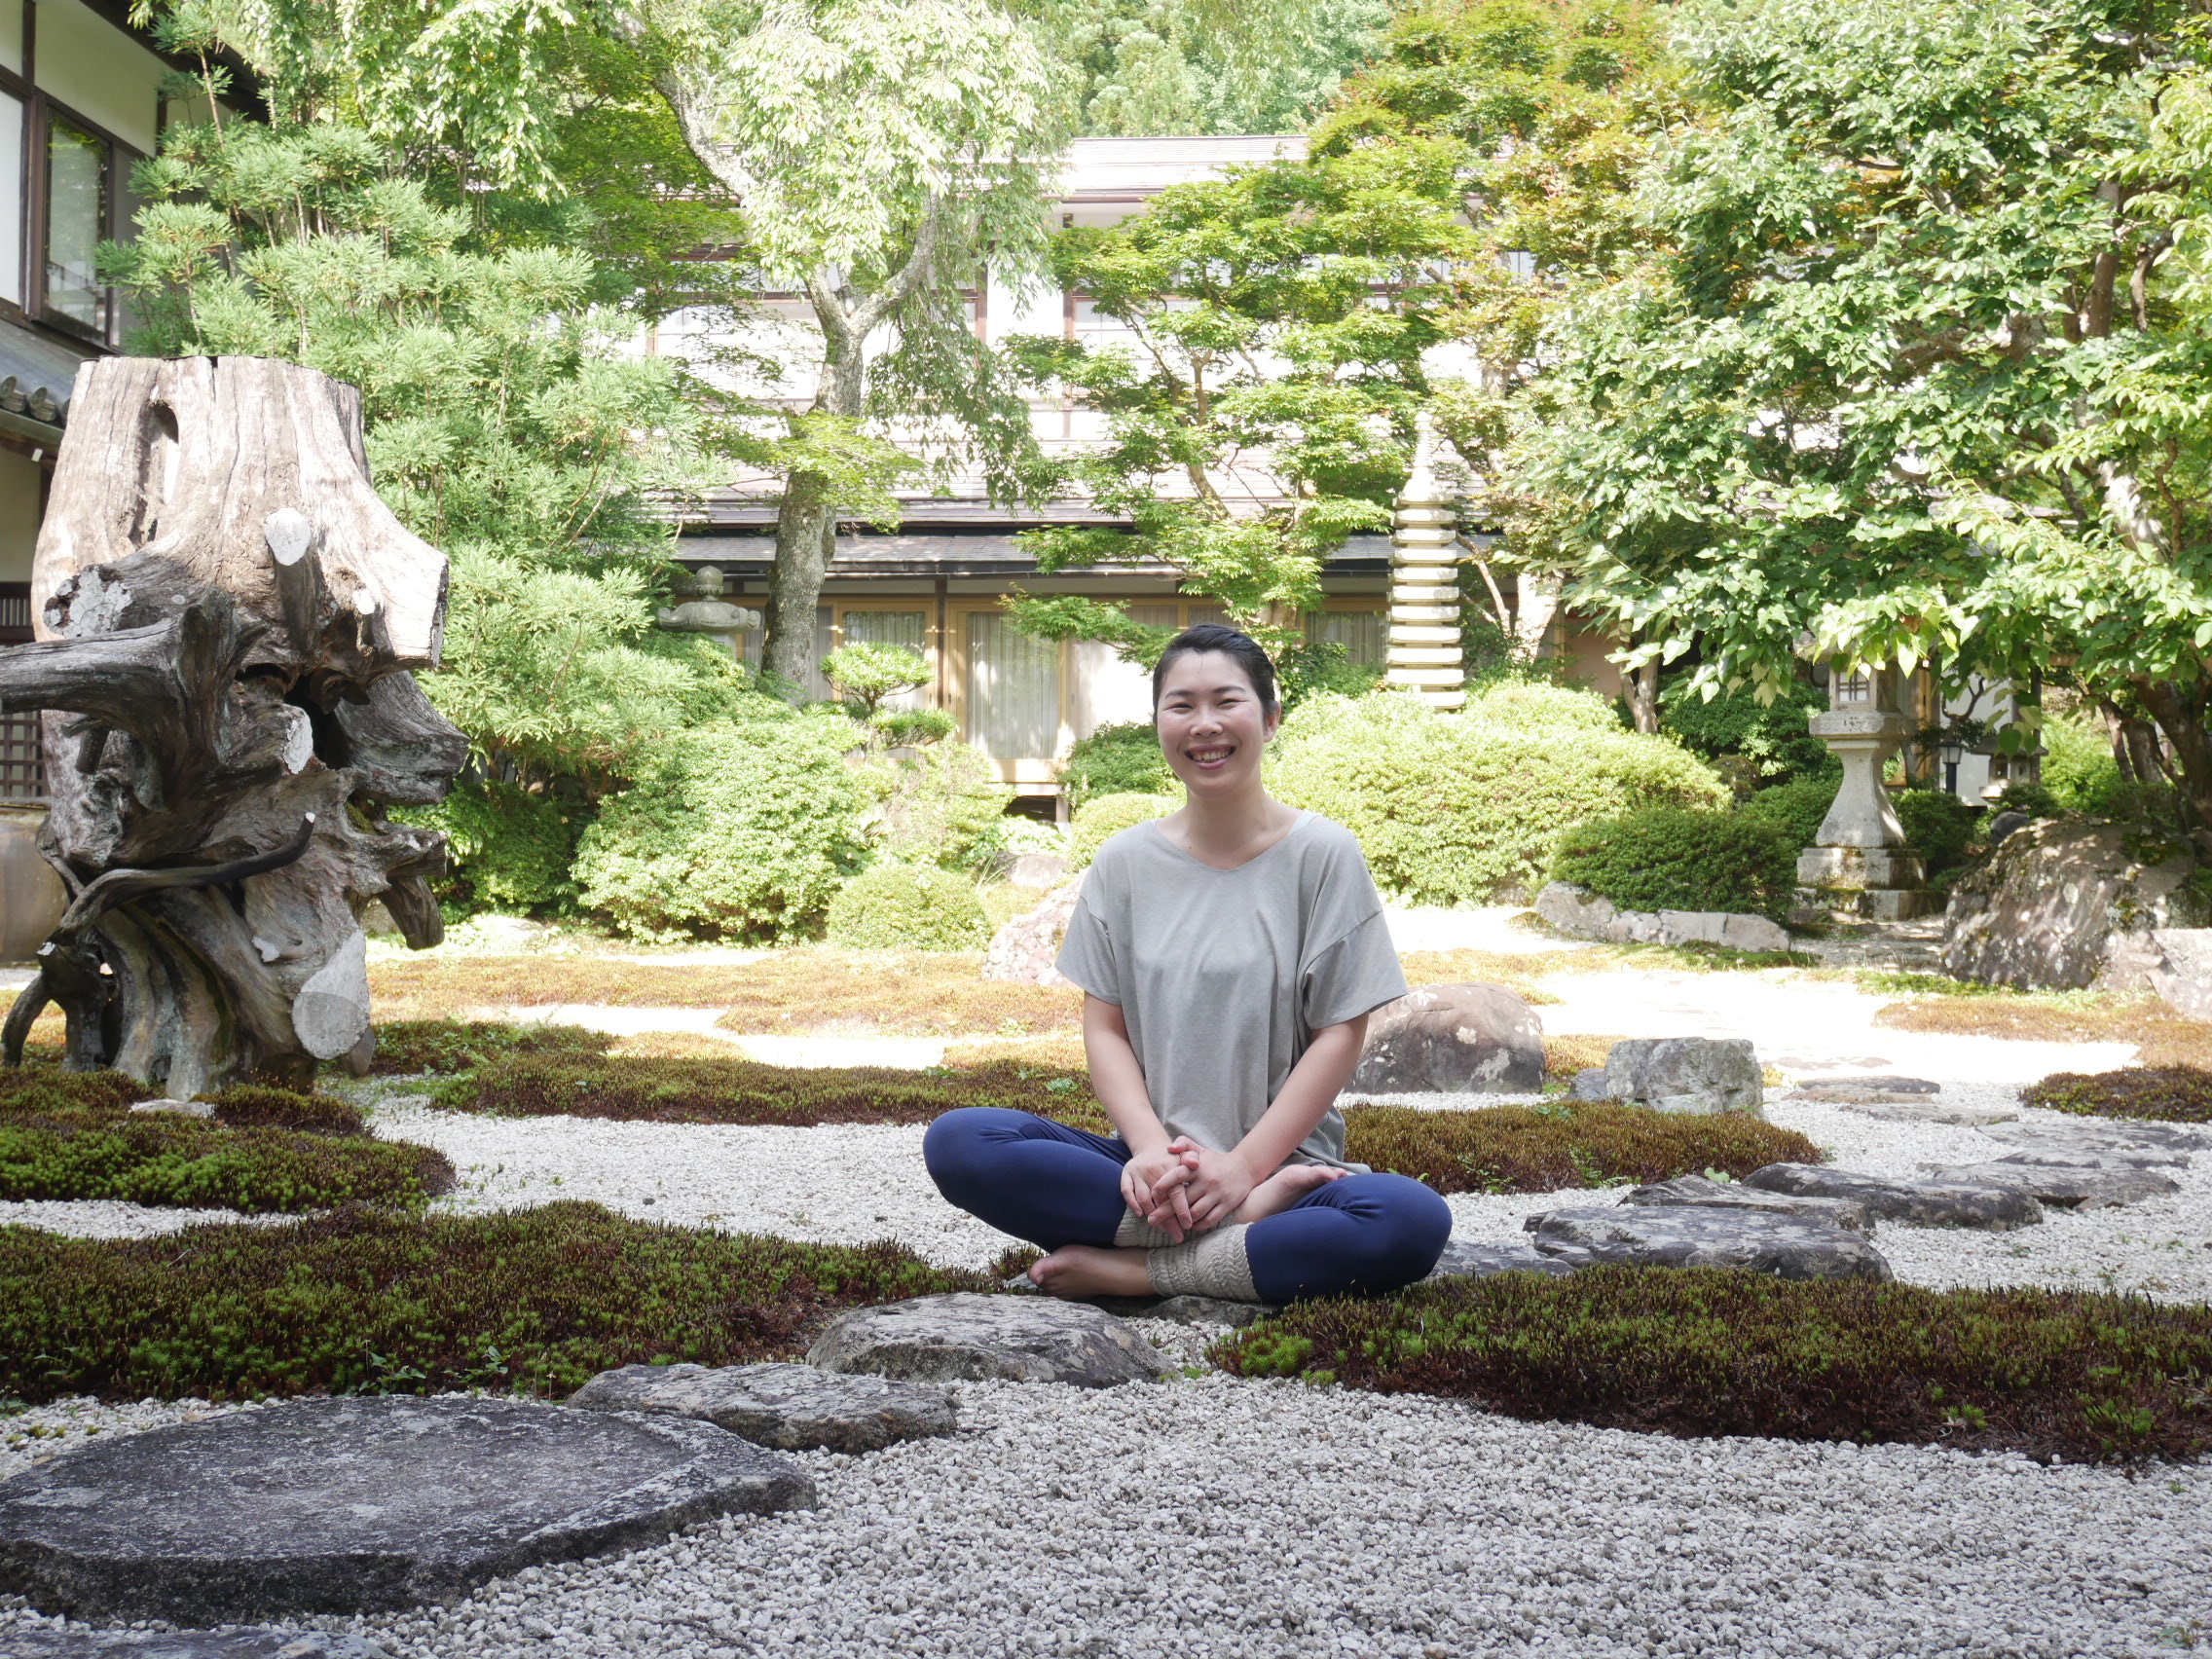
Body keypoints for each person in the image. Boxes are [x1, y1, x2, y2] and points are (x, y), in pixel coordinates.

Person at [924, 623, 1452, 1304]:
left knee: (1409, 1220)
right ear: (1159, 725)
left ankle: (1138, 1269)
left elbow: (1340, 1033)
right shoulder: (1124, 862)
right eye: (1182, 705)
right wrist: (1148, 1151)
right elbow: (1105, 1027)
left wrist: (1245, 1171)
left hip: (1287, 1173)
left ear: (1270, 718)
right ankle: (1241, 1232)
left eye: (1226, 701)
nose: (1205, 724)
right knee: (960, 1142)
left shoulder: (1324, 855)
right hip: (1147, 1171)